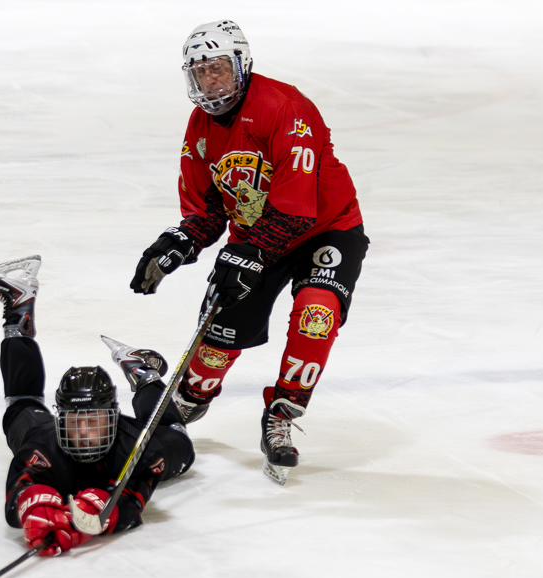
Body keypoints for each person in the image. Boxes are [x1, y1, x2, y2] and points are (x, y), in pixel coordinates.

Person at [130, 20, 369, 484]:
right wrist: (179, 244)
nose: (210, 81)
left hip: (326, 229)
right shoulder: (200, 126)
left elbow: (297, 209)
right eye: (200, 73)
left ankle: (283, 409)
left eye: (218, 68)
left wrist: (248, 254)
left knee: (315, 314)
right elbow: (209, 207)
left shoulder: (285, 108)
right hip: (260, 233)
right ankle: (190, 398)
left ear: (241, 65)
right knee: (220, 332)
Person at [0, 256, 194, 556]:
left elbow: (133, 503)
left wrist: (104, 512)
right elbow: (17, 494)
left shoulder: (138, 448)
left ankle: (143, 373)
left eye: (93, 422)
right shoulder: (42, 447)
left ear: (113, 418)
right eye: (73, 421)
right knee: (20, 409)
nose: (82, 431)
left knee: (178, 441)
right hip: (50, 444)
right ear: (59, 420)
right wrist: (36, 507)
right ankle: (18, 310)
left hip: (128, 448)